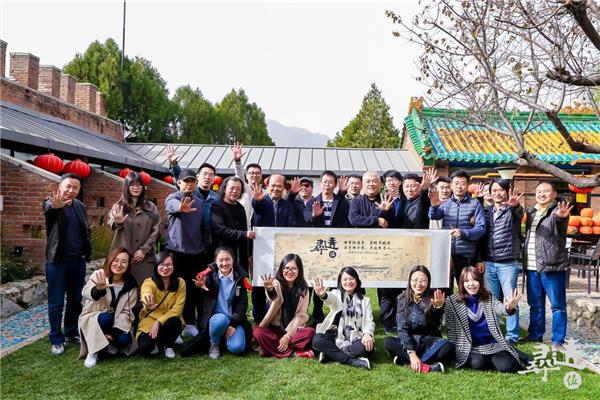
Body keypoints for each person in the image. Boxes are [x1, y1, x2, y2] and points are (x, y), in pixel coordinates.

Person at [43, 173, 91, 355]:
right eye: (68, 186)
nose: (71, 190)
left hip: (78, 261)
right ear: (60, 186)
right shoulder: (51, 202)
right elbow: (49, 210)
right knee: (56, 303)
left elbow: (85, 230)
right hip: (57, 262)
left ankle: (71, 332)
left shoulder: (80, 206)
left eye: (75, 188)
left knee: (75, 300)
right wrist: (56, 207)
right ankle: (56, 339)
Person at [445, 267, 525, 372]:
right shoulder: (452, 301)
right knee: (477, 363)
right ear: (462, 283)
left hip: (493, 344)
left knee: (506, 366)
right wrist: (456, 351)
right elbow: (450, 330)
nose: (471, 284)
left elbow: (499, 308)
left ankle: (510, 354)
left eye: (475, 280)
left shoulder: (488, 296)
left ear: (480, 281)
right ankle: (495, 358)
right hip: (471, 348)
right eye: (467, 281)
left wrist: (509, 307)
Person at [524, 181, 572, 349]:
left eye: (546, 191)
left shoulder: (556, 211)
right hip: (532, 266)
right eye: (539, 191)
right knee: (535, 304)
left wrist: (561, 217)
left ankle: (558, 340)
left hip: (552, 266)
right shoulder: (531, 212)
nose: (542, 194)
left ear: (554, 194)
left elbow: (560, 222)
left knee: (557, 305)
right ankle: (535, 335)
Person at [181, 247, 252, 359]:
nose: (224, 263)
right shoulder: (210, 275)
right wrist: (201, 284)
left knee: (237, 348)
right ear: (215, 261)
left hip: (233, 320)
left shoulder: (239, 277)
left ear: (233, 260)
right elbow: (206, 281)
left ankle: (223, 338)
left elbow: (242, 303)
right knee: (220, 320)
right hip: (217, 319)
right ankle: (214, 344)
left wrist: (233, 324)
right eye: (221, 260)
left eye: (227, 259)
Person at [349, 171, 395, 332]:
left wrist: (384, 212)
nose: (371, 184)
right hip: (360, 250)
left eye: (375, 181)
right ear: (363, 184)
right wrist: (376, 220)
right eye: (368, 181)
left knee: (385, 287)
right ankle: (357, 319)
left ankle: (387, 322)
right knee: (356, 285)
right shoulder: (356, 201)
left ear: (380, 184)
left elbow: (389, 223)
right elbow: (354, 219)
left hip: (381, 250)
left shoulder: (386, 199)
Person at [383, 266, 454, 373]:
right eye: (415, 280)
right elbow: (402, 329)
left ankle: (405, 361)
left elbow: (435, 325)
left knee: (448, 347)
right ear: (410, 281)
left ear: (428, 282)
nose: (418, 284)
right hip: (411, 340)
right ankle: (427, 366)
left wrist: (437, 308)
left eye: (422, 280)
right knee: (388, 342)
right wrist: (412, 354)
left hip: (430, 340)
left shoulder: (433, 297)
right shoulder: (402, 298)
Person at [304, 170, 351, 324]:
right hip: (317, 249)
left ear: (335, 185)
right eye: (325, 181)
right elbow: (306, 219)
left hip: (336, 248)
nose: (327, 185)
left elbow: (346, 222)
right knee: (317, 280)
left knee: (335, 281)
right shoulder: (313, 201)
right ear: (321, 183)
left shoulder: (342, 202)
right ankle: (316, 314)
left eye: (331, 182)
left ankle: (337, 314)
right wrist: (315, 216)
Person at [78, 247, 138, 368]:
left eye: (124, 262)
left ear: (128, 265)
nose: (119, 264)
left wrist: (114, 333)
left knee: (124, 339)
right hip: (95, 318)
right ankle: (93, 351)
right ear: (110, 260)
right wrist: (98, 290)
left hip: (117, 323)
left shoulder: (131, 285)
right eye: (116, 260)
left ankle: (107, 344)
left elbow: (127, 312)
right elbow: (85, 292)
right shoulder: (100, 275)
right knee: (106, 318)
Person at [481, 179, 524, 345]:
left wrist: (514, 206)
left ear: (506, 192)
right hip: (489, 261)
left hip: (507, 262)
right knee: (490, 299)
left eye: (500, 190)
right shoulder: (486, 211)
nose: (497, 193)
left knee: (510, 298)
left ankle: (512, 336)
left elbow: (519, 214)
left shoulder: (512, 210)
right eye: (494, 190)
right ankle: (494, 331)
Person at [251, 173, 297, 323]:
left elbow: (292, 226)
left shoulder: (287, 205)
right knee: (260, 283)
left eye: (279, 186)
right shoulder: (261, 200)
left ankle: (280, 318)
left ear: (284, 187)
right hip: (262, 251)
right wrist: (257, 200)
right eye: (273, 185)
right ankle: (259, 318)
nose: (276, 188)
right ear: (267, 186)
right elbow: (256, 208)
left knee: (281, 283)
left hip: (282, 250)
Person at [165, 168, 205, 339]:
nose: (189, 184)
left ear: (196, 183)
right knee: (174, 289)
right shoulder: (173, 198)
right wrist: (180, 207)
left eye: (192, 181)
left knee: (192, 289)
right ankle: (173, 325)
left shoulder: (200, 202)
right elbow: (171, 205)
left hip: (196, 252)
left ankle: (189, 323)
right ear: (178, 183)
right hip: (176, 252)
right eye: (185, 181)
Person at [429, 170, 486, 289]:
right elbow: (434, 216)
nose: (459, 187)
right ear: (451, 185)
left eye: (463, 183)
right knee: (444, 288)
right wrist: (433, 206)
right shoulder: (446, 203)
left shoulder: (475, 204)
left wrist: (463, 232)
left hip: (466, 254)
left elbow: (481, 228)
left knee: (465, 288)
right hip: (446, 254)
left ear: (467, 185)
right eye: (456, 183)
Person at [253, 254, 315, 358]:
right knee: (258, 332)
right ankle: (294, 353)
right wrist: (270, 289)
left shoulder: (304, 289)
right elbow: (275, 297)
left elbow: (301, 315)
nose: (290, 271)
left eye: (294, 268)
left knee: (310, 332)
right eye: (287, 268)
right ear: (282, 269)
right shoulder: (276, 283)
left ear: (299, 270)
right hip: (275, 329)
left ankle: (269, 349)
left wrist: (287, 336)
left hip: (293, 330)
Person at [312, 267, 375, 370]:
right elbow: (330, 298)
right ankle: (352, 361)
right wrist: (323, 295)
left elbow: (369, 321)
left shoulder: (365, 300)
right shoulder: (336, 294)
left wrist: (367, 333)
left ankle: (330, 354)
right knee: (317, 340)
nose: (348, 282)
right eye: (345, 279)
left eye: (351, 279)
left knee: (366, 347)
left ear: (357, 280)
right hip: (335, 337)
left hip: (356, 338)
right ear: (340, 282)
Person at [109, 172, 161, 285]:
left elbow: (156, 231)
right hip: (122, 258)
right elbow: (112, 225)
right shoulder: (119, 207)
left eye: (138, 185)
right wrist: (118, 223)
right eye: (132, 185)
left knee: (144, 289)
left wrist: (144, 250)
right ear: (126, 187)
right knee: (121, 288)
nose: (136, 188)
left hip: (145, 259)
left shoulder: (151, 207)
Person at [137, 251, 186, 359]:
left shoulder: (180, 282)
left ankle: (169, 345)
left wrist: (158, 322)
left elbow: (178, 308)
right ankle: (160, 343)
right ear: (156, 266)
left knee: (175, 321)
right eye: (162, 264)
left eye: (169, 265)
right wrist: (147, 304)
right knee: (145, 347)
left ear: (174, 266)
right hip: (150, 320)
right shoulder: (149, 282)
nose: (165, 268)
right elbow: (146, 293)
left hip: (170, 320)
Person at [211, 176, 255, 271]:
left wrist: (248, 255)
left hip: (240, 254)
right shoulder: (217, 206)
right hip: (223, 253)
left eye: (238, 189)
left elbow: (244, 231)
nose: (235, 191)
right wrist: (244, 234)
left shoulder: (240, 207)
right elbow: (220, 230)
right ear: (224, 189)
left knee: (241, 277)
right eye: (232, 188)